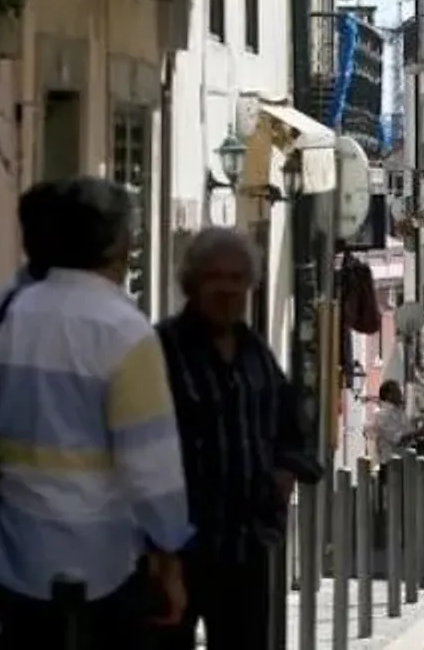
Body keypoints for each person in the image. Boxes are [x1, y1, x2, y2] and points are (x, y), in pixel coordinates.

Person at [0, 177, 190, 646]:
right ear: (118, 243)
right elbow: (150, 466)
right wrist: (170, 556)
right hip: (103, 562)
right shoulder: (124, 330)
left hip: (15, 556)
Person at [155, 227, 307, 650]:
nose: (227, 289)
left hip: (244, 549)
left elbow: (289, 428)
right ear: (192, 284)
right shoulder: (162, 349)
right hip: (177, 549)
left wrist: (282, 478)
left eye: (238, 278)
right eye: (215, 277)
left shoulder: (256, 353)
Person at [371, 381, 410, 463]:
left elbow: (409, 435)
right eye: (398, 392)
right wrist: (422, 430)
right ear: (388, 395)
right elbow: (399, 438)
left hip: (403, 463)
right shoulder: (381, 415)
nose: (401, 394)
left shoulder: (400, 412)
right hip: (388, 464)